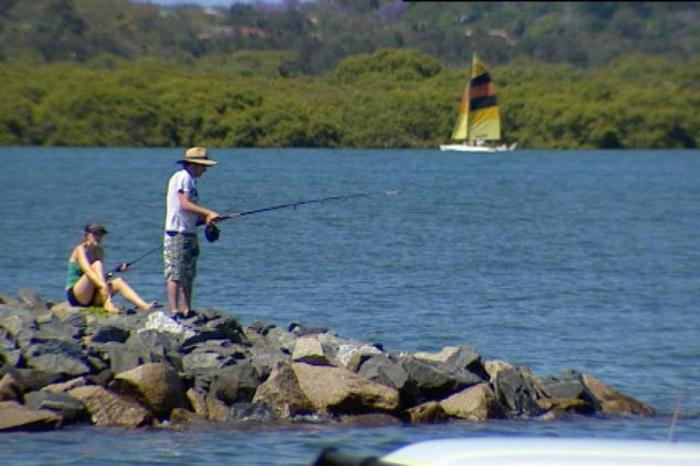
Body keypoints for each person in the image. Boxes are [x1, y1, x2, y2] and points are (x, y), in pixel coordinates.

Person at [164, 147, 237, 317]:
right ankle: (174, 311)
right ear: (195, 164)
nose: (205, 170)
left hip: (188, 232)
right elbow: (185, 204)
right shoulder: (183, 177)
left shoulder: (190, 180)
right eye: (204, 166)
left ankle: (187, 309)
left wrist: (207, 220)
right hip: (177, 232)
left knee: (188, 273)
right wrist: (208, 213)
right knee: (175, 273)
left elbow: (190, 212)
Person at [66, 223, 158, 313]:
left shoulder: (99, 251)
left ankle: (144, 306)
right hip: (77, 295)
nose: (99, 237)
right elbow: (88, 271)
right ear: (87, 235)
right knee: (97, 264)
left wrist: (116, 270)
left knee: (119, 282)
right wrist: (103, 287)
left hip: (93, 295)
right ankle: (107, 303)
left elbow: (100, 277)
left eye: (101, 235)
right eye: (95, 234)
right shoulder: (80, 249)